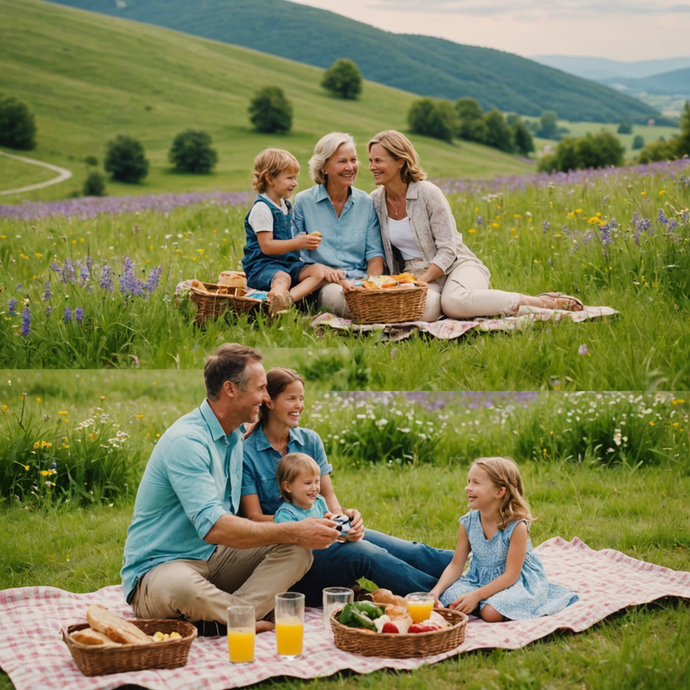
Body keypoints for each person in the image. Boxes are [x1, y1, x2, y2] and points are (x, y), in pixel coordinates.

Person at [121, 344, 342, 635]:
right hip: (161, 566)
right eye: (261, 389)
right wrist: (294, 529)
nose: (266, 398)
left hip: (214, 558)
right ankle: (239, 618)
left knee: (298, 552)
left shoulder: (235, 437)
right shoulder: (188, 442)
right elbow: (215, 527)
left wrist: (303, 526)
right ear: (230, 389)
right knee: (183, 587)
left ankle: (225, 618)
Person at [240, 367, 454, 607]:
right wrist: (303, 526)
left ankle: (473, 569)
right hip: (291, 551)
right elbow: (253, 519)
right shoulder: (247, 452)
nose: (299, 405)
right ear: (269, 402)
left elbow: (328, 494)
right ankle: (447, 596)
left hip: (327, 532)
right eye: (291, 398)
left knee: (407, 549)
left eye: (301, 398)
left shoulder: (309, 440)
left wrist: (344, 522)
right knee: (367, 554)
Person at [367, 130, 585, 322]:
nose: (372, 167)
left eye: (378, 161)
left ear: (400, 161)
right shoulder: (375, 201)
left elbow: (448, 250)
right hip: (412, 274)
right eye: (370, 161)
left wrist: (420, 282)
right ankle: (470, 305)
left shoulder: (428, 194)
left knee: (454, 303)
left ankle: (544, 303)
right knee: (422, 312)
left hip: (457, 265)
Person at [430, 457, 578, 621]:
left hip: (516, 581)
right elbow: (456, 565)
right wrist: (435, 592)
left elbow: (511, 575)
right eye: (468, 481)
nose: (467, 488)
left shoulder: (516, 526)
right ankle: (481, 602)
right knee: (450, 600)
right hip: (478, 579)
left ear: (499, 492)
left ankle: (483, 604)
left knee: (490, 613)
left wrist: (475, 596)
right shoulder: (468, 522)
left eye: (476, 483)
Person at [293, 132, 386, 317]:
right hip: (323, 284)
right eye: (342, 161)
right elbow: (298, 257)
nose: (350, 167)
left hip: (360, 281)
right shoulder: (303, 202)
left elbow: (375, 254)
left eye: (354, 160)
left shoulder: (366, 203)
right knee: (352, 305)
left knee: (372, 302)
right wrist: (326, 273)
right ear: (324, 168)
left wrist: (373, 283)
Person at [241, 148, 332, 316]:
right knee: (283, 278)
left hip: (286, 263)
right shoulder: (262, 208)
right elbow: (267, 246)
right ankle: (273, 306)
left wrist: (300, 239)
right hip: (263, 266)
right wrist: (298, 243)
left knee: (321, 272)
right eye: (289, 178)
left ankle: (286, 301)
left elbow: (284, 237)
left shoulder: (284, 204)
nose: (295, 183)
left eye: (295, 178)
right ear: (270, 179)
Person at [273, 452, 336, 523]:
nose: (314, 488)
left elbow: (328, 520)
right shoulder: (285, 516)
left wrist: (330, 519)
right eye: (308, 483)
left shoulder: (319, 501)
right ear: (288, 487)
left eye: (317, 482)